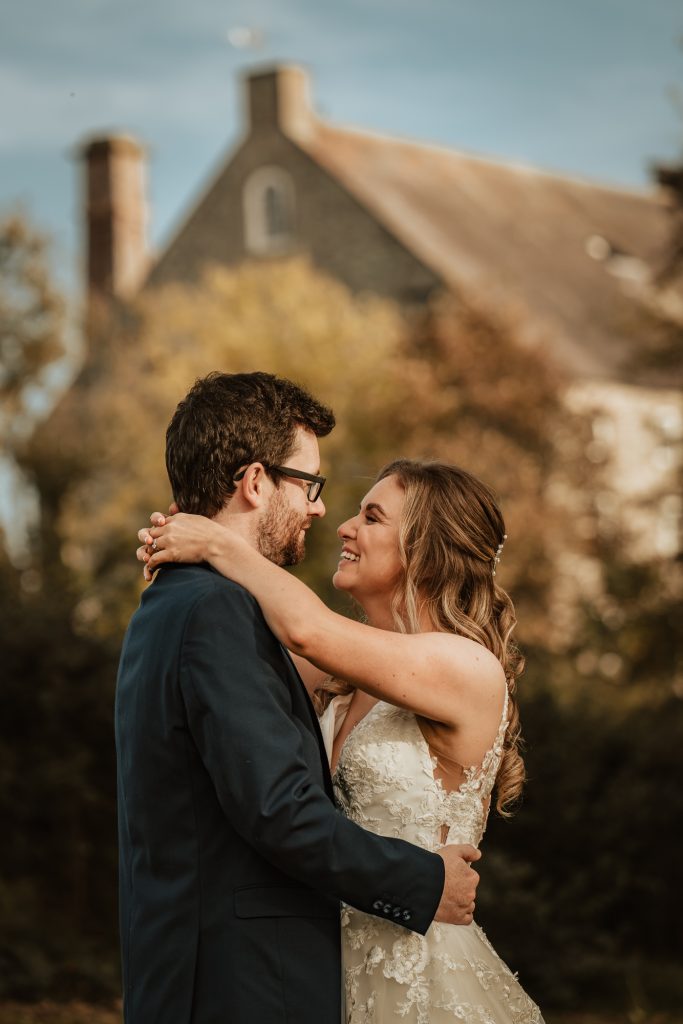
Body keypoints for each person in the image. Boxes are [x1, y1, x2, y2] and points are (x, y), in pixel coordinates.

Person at [116, 371, 481, 1024]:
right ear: (256, 482)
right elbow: (279, 811)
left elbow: (311, 638)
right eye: (309, 485)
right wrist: (424, 883)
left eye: (369, 514)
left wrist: (209, 542)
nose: (321, 510)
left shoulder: (178, 604)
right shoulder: (216, 613)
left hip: (224, 973)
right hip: (242, 986)